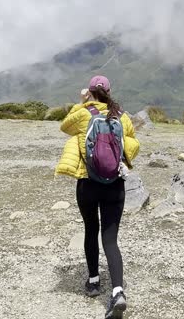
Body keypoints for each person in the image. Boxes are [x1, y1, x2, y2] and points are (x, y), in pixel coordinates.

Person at [55, 75, 140, 319]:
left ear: (91, 92)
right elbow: (133, 143)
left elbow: (65, 127)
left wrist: (81, 102)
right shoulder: (121, 116)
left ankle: (93, 282)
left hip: (87, 183)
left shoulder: (83, 114)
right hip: (115, 184)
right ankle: (117, 291)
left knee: (91, 229)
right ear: (110, 91)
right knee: (110, 239)